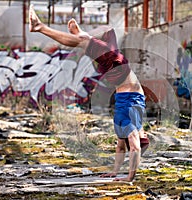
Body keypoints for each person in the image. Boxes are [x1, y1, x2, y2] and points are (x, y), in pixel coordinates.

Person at [29, 5, 149, 182]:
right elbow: (122, 148)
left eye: (143, 138)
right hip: (125, 84)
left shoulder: (125, 121)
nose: (144, 137)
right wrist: (116, 172)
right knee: (107, 36)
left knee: (86, 43)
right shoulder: (134, 122)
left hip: (119, 75)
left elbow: (132, 149)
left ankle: (40, 27)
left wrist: (128, 177)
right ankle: (81, 34)